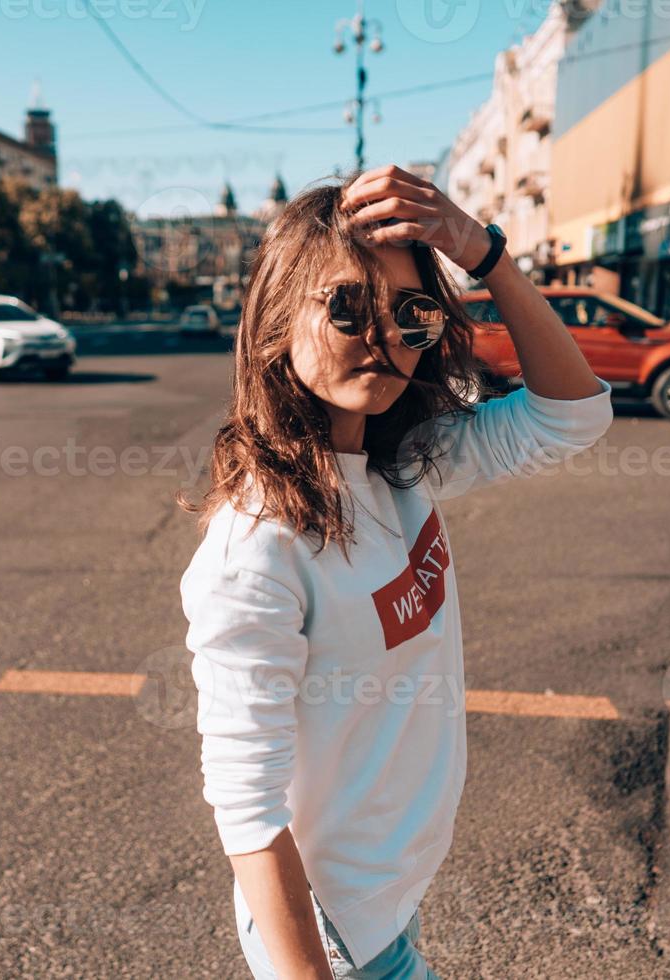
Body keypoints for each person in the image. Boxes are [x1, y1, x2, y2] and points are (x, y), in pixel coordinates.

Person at [177, 164, 613, 978]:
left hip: (388, 905)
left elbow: (576, 414)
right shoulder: (257, 549)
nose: (381, 335)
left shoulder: (407, 461)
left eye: (410, 315)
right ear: (277, 320)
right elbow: (246, 810)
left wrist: (483, 255)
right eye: (347, 306)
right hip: (333, 939)